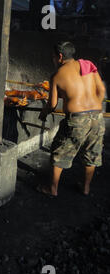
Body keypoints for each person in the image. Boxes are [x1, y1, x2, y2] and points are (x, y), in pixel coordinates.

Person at [38, 41, 106, 196]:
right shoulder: (88, 65)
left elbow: (52, 105)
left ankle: (53, 189)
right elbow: (101, 90)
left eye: (53, 58)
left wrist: (43, 113)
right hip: (97, 116)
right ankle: (86, 188)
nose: (53, 61)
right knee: (92, 153)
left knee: (60, 151)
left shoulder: (57, 75)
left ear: (60, 57)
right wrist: (93, 108)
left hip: (77, 120)